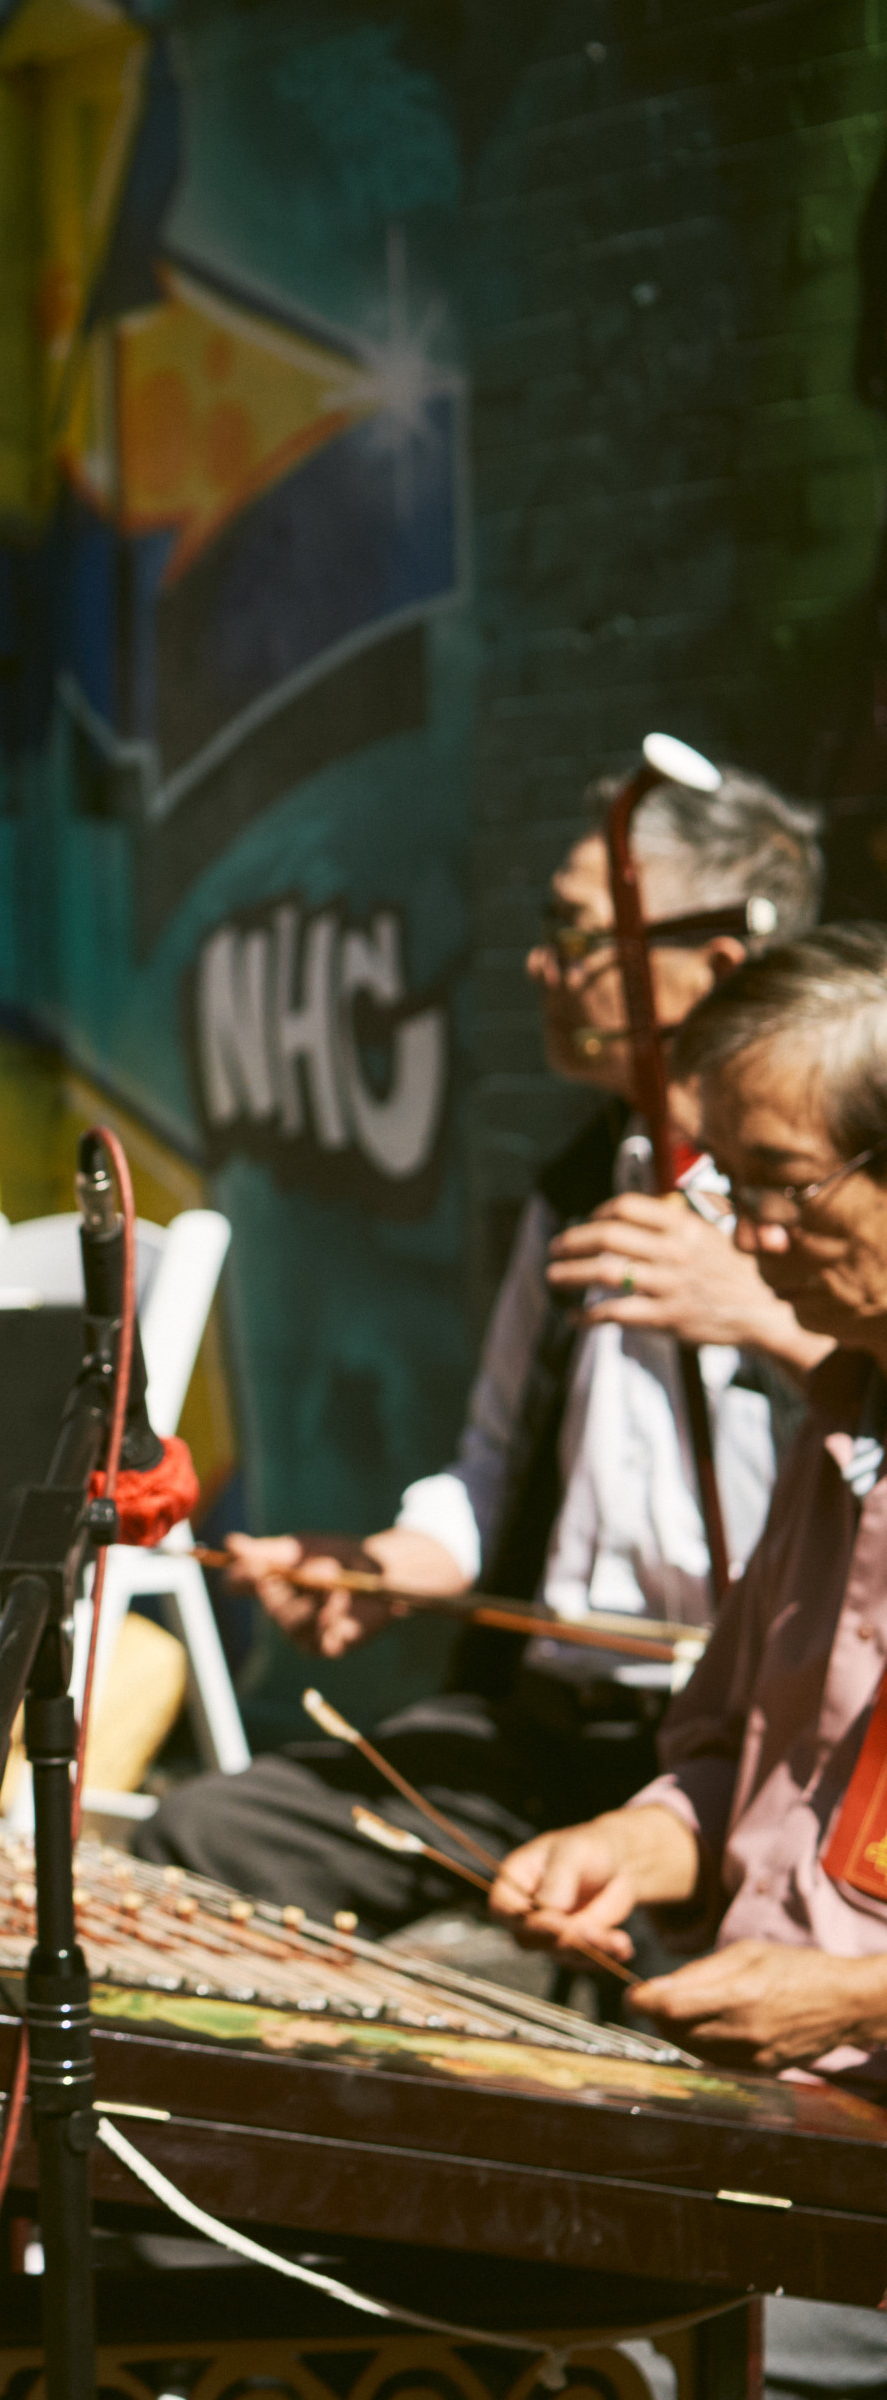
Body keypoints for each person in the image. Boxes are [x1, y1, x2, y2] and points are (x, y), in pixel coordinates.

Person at [143, 769, 825, 1930]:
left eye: (579, 933)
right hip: (551, 1725)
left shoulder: (828, 1206)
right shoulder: (577, 1186)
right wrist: (387, 1565)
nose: (542, 967)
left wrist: (763, 1315)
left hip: (755, 1744)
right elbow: (492, 1470)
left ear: (717, 965)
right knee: (205, 1836)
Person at [492, 923, 887, 2396]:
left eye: (785, 1185)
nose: (752, 1237)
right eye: (732, 1187)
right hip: (771, 2115)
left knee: (605, 2366)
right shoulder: (839, 1432)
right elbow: (730, 1760)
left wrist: (855, 2000)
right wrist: (627, 1846)